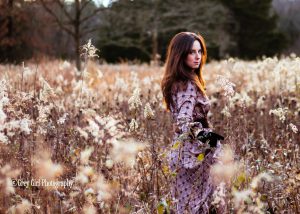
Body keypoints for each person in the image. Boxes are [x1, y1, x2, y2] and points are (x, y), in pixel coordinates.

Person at [161, 32, 227, 213]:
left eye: (200, 51)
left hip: (181, 152)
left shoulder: (176, 82)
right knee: (201, 206)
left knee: (188, 207)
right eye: (191, 52)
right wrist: (214, 139)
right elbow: (184, 124)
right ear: (180, 55)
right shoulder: (187, 84)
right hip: (193, 157)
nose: (197, 56)